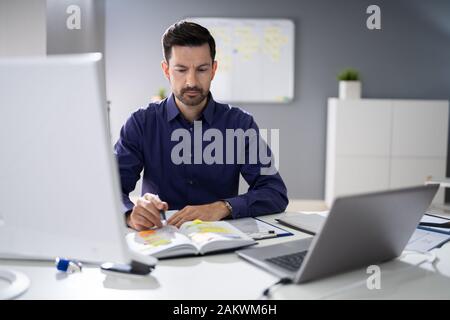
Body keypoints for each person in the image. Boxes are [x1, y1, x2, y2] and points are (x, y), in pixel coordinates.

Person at [115, 21, 288, 231]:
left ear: (213, 70)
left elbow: (274, 192)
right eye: (181, 69)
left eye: (202, 69)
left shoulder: (240, 124)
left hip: (220, 240)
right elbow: (110, 189)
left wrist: (224, 207)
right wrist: (129, 214)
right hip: (159, 238)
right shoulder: (141, 123)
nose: (191, 81)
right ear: (166, 70)